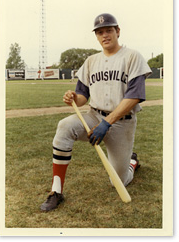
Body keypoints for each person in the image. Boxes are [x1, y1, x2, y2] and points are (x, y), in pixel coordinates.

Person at [40, 13, 152, 211]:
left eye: (109, 30)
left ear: (118, 31)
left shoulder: (133, 56)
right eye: (100, 32)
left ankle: (131, 162)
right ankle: (56, 191)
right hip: (93, 116)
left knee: (118, 180)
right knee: (65, 126)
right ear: (96, 36)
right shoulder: (91, 61)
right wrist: (73, 97)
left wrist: (107, 122)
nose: (105, 35)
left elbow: (134, 96)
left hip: (121, 123)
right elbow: (82, 95)